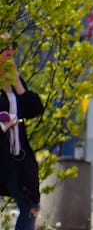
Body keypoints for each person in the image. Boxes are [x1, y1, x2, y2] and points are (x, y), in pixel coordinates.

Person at [0, 33, 44, 230]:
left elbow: (35, 109)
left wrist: (17, 82)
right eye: (4, 45)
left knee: (30, 206)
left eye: (13, 45)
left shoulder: (14, 80)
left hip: (16, 157)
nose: (10, 49)